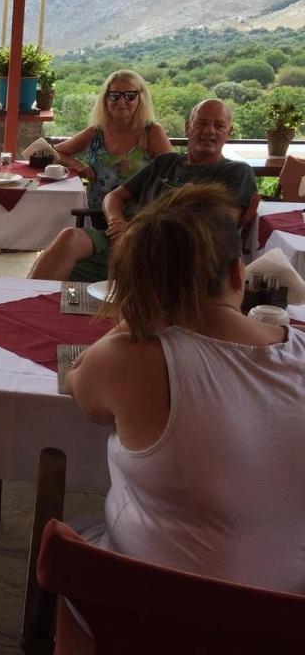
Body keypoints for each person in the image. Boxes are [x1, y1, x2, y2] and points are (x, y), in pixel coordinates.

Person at [65, 183, 305, 592]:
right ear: (237, 273)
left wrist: (138, 316)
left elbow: (79, 384)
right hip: (285, 620)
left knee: (71, 535)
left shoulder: (127, 358)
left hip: (151, 611)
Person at [29, 99, 256, 282]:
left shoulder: (235, 172)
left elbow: (218, 227)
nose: (209, 131)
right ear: (188, 127)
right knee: (69, 239)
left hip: (178, 259)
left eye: (219, 125)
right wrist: (118, 223)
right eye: (202, 123)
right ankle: (26, 307)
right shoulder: (166, 162)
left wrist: (144, 237)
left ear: (230, 132)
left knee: (68, 272)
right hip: (127, 241)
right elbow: (114, 196)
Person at [52, 69, 172, 223]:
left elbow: (172, 176)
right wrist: (76, 164)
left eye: (130, 95)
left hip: (138, 223)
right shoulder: (96, 132)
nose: (121, 102)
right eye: (114, 95)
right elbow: (55, 152)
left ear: (140, 98)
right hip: (94, 217)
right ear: (105, 99)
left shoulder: (152, 133)